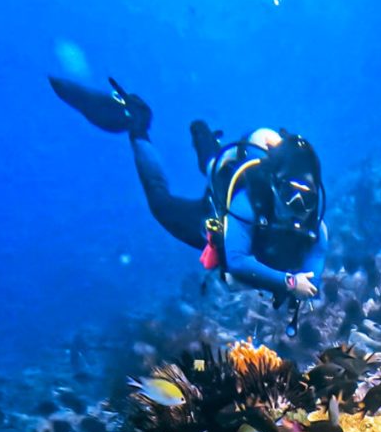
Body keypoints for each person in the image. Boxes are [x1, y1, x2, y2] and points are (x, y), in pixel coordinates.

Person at [49, 76, 327, 308]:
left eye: (307, 197)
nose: (298, 205)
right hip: (216, 210)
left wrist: (299, 287)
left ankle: (206, 141)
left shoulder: (317, 228)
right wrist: (289, 283)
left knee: (213, 165)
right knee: (164, 201)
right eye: (291, 193)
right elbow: (237, 261)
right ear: (276, 186)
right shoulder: (247, 203)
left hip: (255, 230)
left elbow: (312, 279)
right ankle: (139, 125)